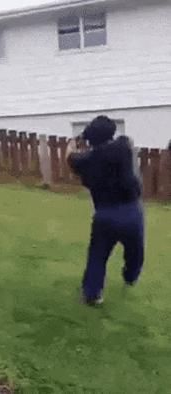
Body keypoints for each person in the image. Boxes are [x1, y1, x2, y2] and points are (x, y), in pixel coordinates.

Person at [66, 115, 145, 307]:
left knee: (97, 255)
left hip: (104, 214)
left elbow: (73, 160)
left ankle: (92, 295)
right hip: (131, 210)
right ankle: (131, 276)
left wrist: (72, 148)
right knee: (135, 250)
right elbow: (120, 144)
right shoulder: (124, 147)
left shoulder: (87, 161)